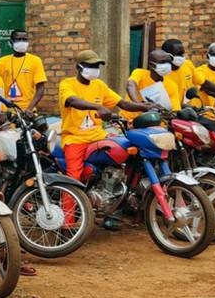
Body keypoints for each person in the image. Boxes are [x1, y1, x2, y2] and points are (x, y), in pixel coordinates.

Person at [59, 50, 154, 230]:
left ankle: (117, 209)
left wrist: (146, 106)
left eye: (97, 66)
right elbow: (72, 101)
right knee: (73, 176)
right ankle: (67, 222)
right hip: (75, 138)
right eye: (91, 66)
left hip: (99, 135)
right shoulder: (67, 84)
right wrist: (97, 106)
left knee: (126, 156)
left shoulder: (99, 85)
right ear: (79, 67)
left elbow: (123, 104)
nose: (95, 69)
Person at [163, 39, 215, 104]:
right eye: (178, 54)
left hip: (189, 112)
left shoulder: (187, 65)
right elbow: (207, 90)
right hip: (170, 112)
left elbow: (204, 83)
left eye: (182, 54)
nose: (181, 57)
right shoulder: (161, 73)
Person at [0, 30, 46, 112]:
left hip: (27, 110)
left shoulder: (35, 61)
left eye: (24, 39)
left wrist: (30, 109)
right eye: (18, 39)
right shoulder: (2, 61)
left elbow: (40, 88)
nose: (22, 42)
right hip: (7, 110)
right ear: (11, 42)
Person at [124, 50, 181, 119]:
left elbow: (175, 111)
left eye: (168, 62)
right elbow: (130, 85)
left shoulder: (172, 85)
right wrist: (139, 105)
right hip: (129, 120)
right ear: (151, 65)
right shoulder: (140, 73)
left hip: (154, 124)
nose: (167, 65)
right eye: (162, 62)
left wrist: (164, 112)